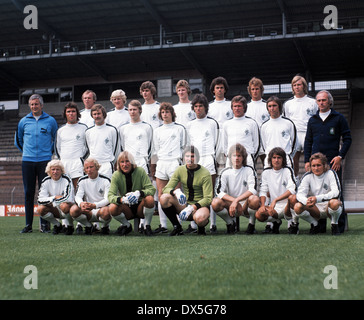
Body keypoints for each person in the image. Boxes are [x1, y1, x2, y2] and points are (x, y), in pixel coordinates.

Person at [304, 90, 352, 233]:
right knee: (318, 191)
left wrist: (340, 156)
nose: (321, 103)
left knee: (336, 192)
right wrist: (307, 160)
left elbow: (348, 139)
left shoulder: (339, 118)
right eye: (318, 100)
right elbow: (308, 141)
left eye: (324, 100)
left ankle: (339, 225)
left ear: (330, 101)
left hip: (332, 163)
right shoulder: (312, 120)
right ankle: (320, 226)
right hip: (316, 163)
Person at [15, 94, 58, 233]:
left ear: (41, 105)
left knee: (44, 193)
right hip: (27, 161)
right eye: (32, 104)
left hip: (45, 161)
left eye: (36, 104)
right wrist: (28, 152)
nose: (34, 106)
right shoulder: (23, 121)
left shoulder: (51, 121)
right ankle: (28, 225)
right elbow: (19, 140)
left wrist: (48, 152)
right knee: (29, 192)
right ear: (29, 106)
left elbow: (56, 140)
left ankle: (44, 225)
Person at [160, 145, 213, 236]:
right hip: (185, 205)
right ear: (184, 158)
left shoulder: (205, 173)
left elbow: (208, 198)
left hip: (200, 206)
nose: (189, 159)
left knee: (200, 219)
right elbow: (165, 189)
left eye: (192, 156)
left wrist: (193, 207)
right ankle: (177, 227)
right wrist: (176, 192)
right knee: (164, 198)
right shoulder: (180, 170)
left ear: (197, 158)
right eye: (187, 156)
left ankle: (201, 228)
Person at [186, 93, 220, 233]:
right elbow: (188, 145)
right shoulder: (189, 125)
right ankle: (194, 224)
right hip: (195, 161)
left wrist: (216, 160)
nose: (198, 108)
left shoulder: (213, 123)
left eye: (201, 106)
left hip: (209, 159)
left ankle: (212, 224)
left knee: (209, 194)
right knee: (195, 192)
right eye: (196, 106)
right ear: (193, 108)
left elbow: (218, 144)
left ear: (205, 107)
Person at [152, 103, 186, 233]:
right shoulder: (157, 130)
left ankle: (179, 224)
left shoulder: (180, 129)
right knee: (161, 195)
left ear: (172, 113)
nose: (165, 114)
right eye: (163, 112)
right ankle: (164, 225)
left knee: (176, 194)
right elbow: (155, 150)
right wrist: (154, 167)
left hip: (174, 163)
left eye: (167, 111)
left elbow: (185, 147)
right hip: (162, 163)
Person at [290, 152, 343, 235]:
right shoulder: (308, 176)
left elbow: (336, 193)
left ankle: (334, 224)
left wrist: (317, 198)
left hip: (328, 206)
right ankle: (315, 224)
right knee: (297, 207)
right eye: (313, 166)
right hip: (315, 208)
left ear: (324, 165)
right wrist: (306, 201)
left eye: (319, 165)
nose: (316, 168)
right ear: (310, 166)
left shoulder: (331, 173)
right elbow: (299, 194)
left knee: (335, 203)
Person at [212, 143, 260, 234]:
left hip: (246, 204)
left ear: (243, 157)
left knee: (254, 199)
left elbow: (253, 189)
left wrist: (237, 200)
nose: (237, 158)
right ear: (230, 157)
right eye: (234, 155)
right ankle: (230, 224)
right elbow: (219, 192)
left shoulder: (249, 170)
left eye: (239, 156)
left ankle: (251, 225)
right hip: (231, 205)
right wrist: (234, 201)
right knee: (215, 202)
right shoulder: (225, 172)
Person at [108, 151, 156, 236]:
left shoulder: (140, 171)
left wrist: (139, 193)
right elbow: (110, 196)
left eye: (127, 161)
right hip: (127, 207)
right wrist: (122, 199)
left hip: (140, 206)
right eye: (122, 162)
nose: (125, 164)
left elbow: (151, 189)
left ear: (132, 162)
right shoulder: (116, 175)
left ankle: (146, 226)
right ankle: (126, 225)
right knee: (112, 207)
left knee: (150, 199)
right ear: (119, 164)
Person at [255, 147, 297, 234]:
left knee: (293, 198)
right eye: (274, 158)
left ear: (283, 159)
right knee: (258, 215)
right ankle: (276, 221)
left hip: (287, 205)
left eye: (279, 157)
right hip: (274, 207)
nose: (276, 160)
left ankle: (292, 224)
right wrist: (263, 205)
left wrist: (275, 199)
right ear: (270, 159)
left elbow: (292, 189)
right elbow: (263, 191)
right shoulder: (266, 172)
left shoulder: (287, 170)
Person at [283, 75, 318, 178]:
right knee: (294, 160)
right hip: (295, 135)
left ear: (304, 86)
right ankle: (295, 182)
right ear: (292, 87)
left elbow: (317, 119)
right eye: (294, 85)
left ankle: (313, 180)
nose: (297, 87)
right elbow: (287, 121)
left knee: (313, 160)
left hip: (309, 134)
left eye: (299, 84)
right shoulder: (288, 104)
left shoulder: (313, 102)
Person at [70, 158, 111, 235]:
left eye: (91, 167)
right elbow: (77, 196)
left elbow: (108, 199)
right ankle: (88, 226)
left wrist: (95, 205)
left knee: (107, 211)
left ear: (97, 167)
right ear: (84, 170)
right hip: (88, 210)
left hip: (101, 209)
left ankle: (105, 227)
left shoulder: (105, 180)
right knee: (73, 210)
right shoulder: (82, 180)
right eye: (87, 168)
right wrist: (81, 203)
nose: (89, 170)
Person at [55, 102, 88, 189]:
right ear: (65, 114)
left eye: (73, 111)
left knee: (78, 188)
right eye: (68, 111)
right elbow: (57, 148)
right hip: (64, 162)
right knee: (65, 189)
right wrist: (61, 159)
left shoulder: (84, 128)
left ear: (77, 113)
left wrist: (82, 159)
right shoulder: (61, 130)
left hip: (78, 162)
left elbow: (88, 146)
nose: (71, 114)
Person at [37, 160, 75, 235]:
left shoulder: (67, 179)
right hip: (55, 208)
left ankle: (70, 226)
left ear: (61, 170)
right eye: (53, 169)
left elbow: (68, 198)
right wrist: (53, 198)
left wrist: (52, 202)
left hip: (68, 208)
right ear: (49, 171)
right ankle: (57, 225)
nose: (55, 172)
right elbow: (40, 199)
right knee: (40, 209)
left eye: (58, 169)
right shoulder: (46, 180)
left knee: (64, 205)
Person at [222, 95, 260, 168]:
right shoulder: (226, 124)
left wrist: (251, 155)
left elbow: (256, 144)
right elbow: (224, 144)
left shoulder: (252, 123)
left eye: (239, 106)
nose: (237, 108)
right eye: (235, 106)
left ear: (244, 108)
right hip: (231, 159)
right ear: (232, 108)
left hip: (247, 159)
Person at [260, 96, 297, 169]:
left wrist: (287, 155)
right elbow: (264, 145)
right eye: (269, 106)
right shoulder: (264, 126)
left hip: (285, 158)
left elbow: (294, 143)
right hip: (269, 159)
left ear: (279, 106)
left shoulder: (288, 123)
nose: (272, 108)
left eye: (274, 105)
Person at [85, 104, 120, 179]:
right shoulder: (88, 131)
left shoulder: (112, 130)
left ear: (103, 114)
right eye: (94, 114)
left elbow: (116, 150)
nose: (97, 116)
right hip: (93, 166)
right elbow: (89, 148)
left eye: (99, 113)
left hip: (107, 165)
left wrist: (114, 164)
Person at [119, 99, 153, 174]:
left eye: (134, 109)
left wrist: (145, 159)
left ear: (140, 111)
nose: (132, 112)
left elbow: (150, 147)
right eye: (130, 110)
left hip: (142, 162)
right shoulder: (123, 128)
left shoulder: (147, 127)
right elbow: (122, 146)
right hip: (128, 163)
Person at [245, 77, 269, 166]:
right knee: (251, 166)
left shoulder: (267, 105)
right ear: (250, 91)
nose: (255, 91)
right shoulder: (246, 107)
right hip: (250, 141)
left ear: (261, 90)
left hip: (264, 141)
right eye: (253, 89)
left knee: (267, 165)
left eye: (257, 89)